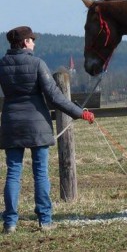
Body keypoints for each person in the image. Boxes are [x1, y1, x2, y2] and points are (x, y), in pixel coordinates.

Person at [0, 26, 95, 234]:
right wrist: (81, 113)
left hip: (11, 126)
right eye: (32, 40)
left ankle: (10, 223)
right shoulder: (37, 64)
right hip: (37, 126)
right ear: (25, 42)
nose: (34, 43)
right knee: (40, 173)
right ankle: (45, 220)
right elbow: (55, 98)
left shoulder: (2, 65)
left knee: (13, 174)